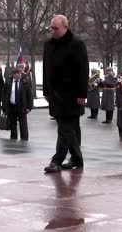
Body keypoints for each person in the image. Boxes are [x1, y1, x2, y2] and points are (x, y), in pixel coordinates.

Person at [43, 14, 88, 173]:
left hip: (72, 95)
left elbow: (83, 71)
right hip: (55, 95)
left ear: (65, 27)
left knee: (64, 129)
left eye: (55, 28)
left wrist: (82, 94)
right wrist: (46, 90)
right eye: (51, 27)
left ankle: (57, 160)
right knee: (68, 129)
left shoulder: (77, 44)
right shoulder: (48, 45)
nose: (52, 30)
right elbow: (46, 69)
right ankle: (77, 158)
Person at [3, 68, 33, 140]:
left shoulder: (25, 82)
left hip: (22, 107)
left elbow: (29, 96)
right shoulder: (8, 82)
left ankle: (24, 138)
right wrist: (4, 107)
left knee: (23, 124)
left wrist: (29, 107)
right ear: (13, 74)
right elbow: (4, 96)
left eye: (20, 73)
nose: (19, 75)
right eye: (17, 73)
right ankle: (13, 137)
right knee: (13, 124)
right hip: (11, 106)